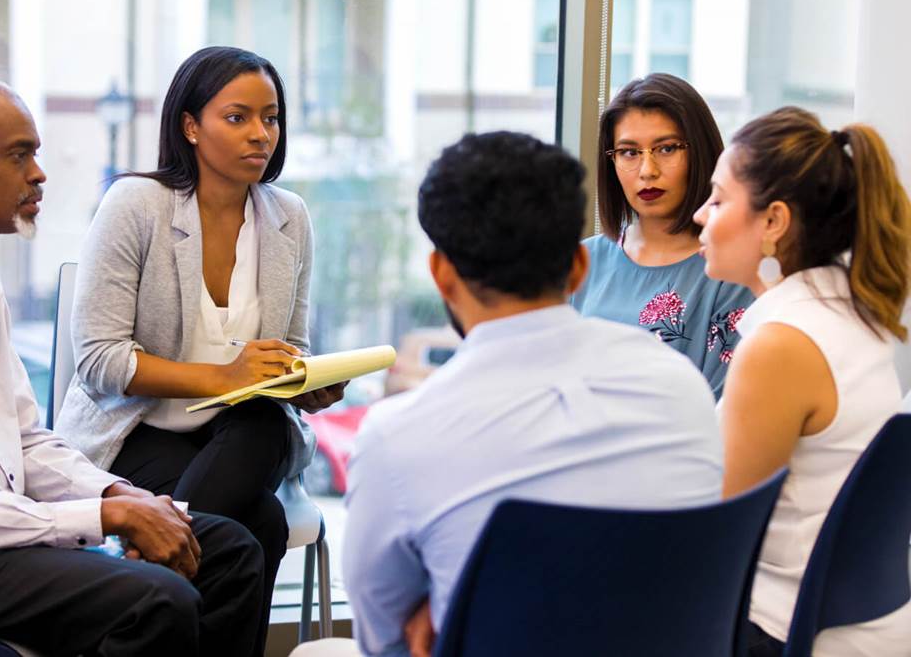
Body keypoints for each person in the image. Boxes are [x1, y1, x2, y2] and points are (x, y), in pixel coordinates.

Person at [293, 131, 724, 657]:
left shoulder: (397, 437)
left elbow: (386, 640)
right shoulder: (680, 387)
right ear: (580, 266)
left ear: (442, 275)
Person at [0, 75, 267, 656]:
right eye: (19, 155)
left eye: (36, 153)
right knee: (158, 600)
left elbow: (27, 442)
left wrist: (122, 494)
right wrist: (104, 516)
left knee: (231, 553)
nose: (39, 173)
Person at [55, 46, 345, 651]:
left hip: (240, 436)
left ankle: (145, 574)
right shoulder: (136, 204)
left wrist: (306, 382)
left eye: (271, 118)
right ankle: (152, 577)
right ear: (190, 125)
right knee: (257, 523)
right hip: (135, 435)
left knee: (266, 418)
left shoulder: (289, 217)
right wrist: (222, 377)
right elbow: (100, 360)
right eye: (237, 117)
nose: (260, 134)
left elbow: (289, 348)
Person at [693, 107, 911, 656]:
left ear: (773, 223)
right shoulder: (848, 312)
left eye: (718, 199)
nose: (699, 214)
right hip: (859, 621)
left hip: (781, 628)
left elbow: (717, 531)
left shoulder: (782, 346)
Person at [571, 73, 752, 398]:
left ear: (700, 152)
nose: (647, 170)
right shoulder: (581, 262)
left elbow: (721, 407)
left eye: (666, 148)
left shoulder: (731, 271)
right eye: (629, 152)